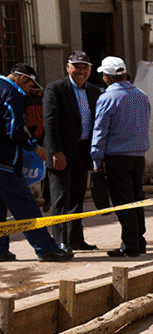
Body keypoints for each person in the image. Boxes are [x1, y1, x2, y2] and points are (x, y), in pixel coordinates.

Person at [0, 63, 70, 262]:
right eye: (30, 86)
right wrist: (34, 147)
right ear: (23, 79)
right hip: (5, 162)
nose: (29, 91)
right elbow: (14, 130)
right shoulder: (12, 92)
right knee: (26, 206)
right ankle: (46, 248)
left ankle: (0, 250)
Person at [90, 56, 151, 258]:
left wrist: (96, 160)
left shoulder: (107, 99)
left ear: (107, 77)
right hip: (138, 157)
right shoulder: (142, 96)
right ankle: (139, 241)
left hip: (117, 158)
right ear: (124, 74)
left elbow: (100, 131)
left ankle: (130, 245)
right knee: (137, 199)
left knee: (123, 201)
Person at [43, 50, 102, 253]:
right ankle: (60, 241)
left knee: (77, 197)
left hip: (83, 151)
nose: (81, 71)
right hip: (61, 154)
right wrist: (56, 151)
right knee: (60, 198)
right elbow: (50, 123)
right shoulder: (56, 89)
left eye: (85, 67)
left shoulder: (94, 91)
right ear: (68, 67)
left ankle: (76, 239)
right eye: (77, 66)